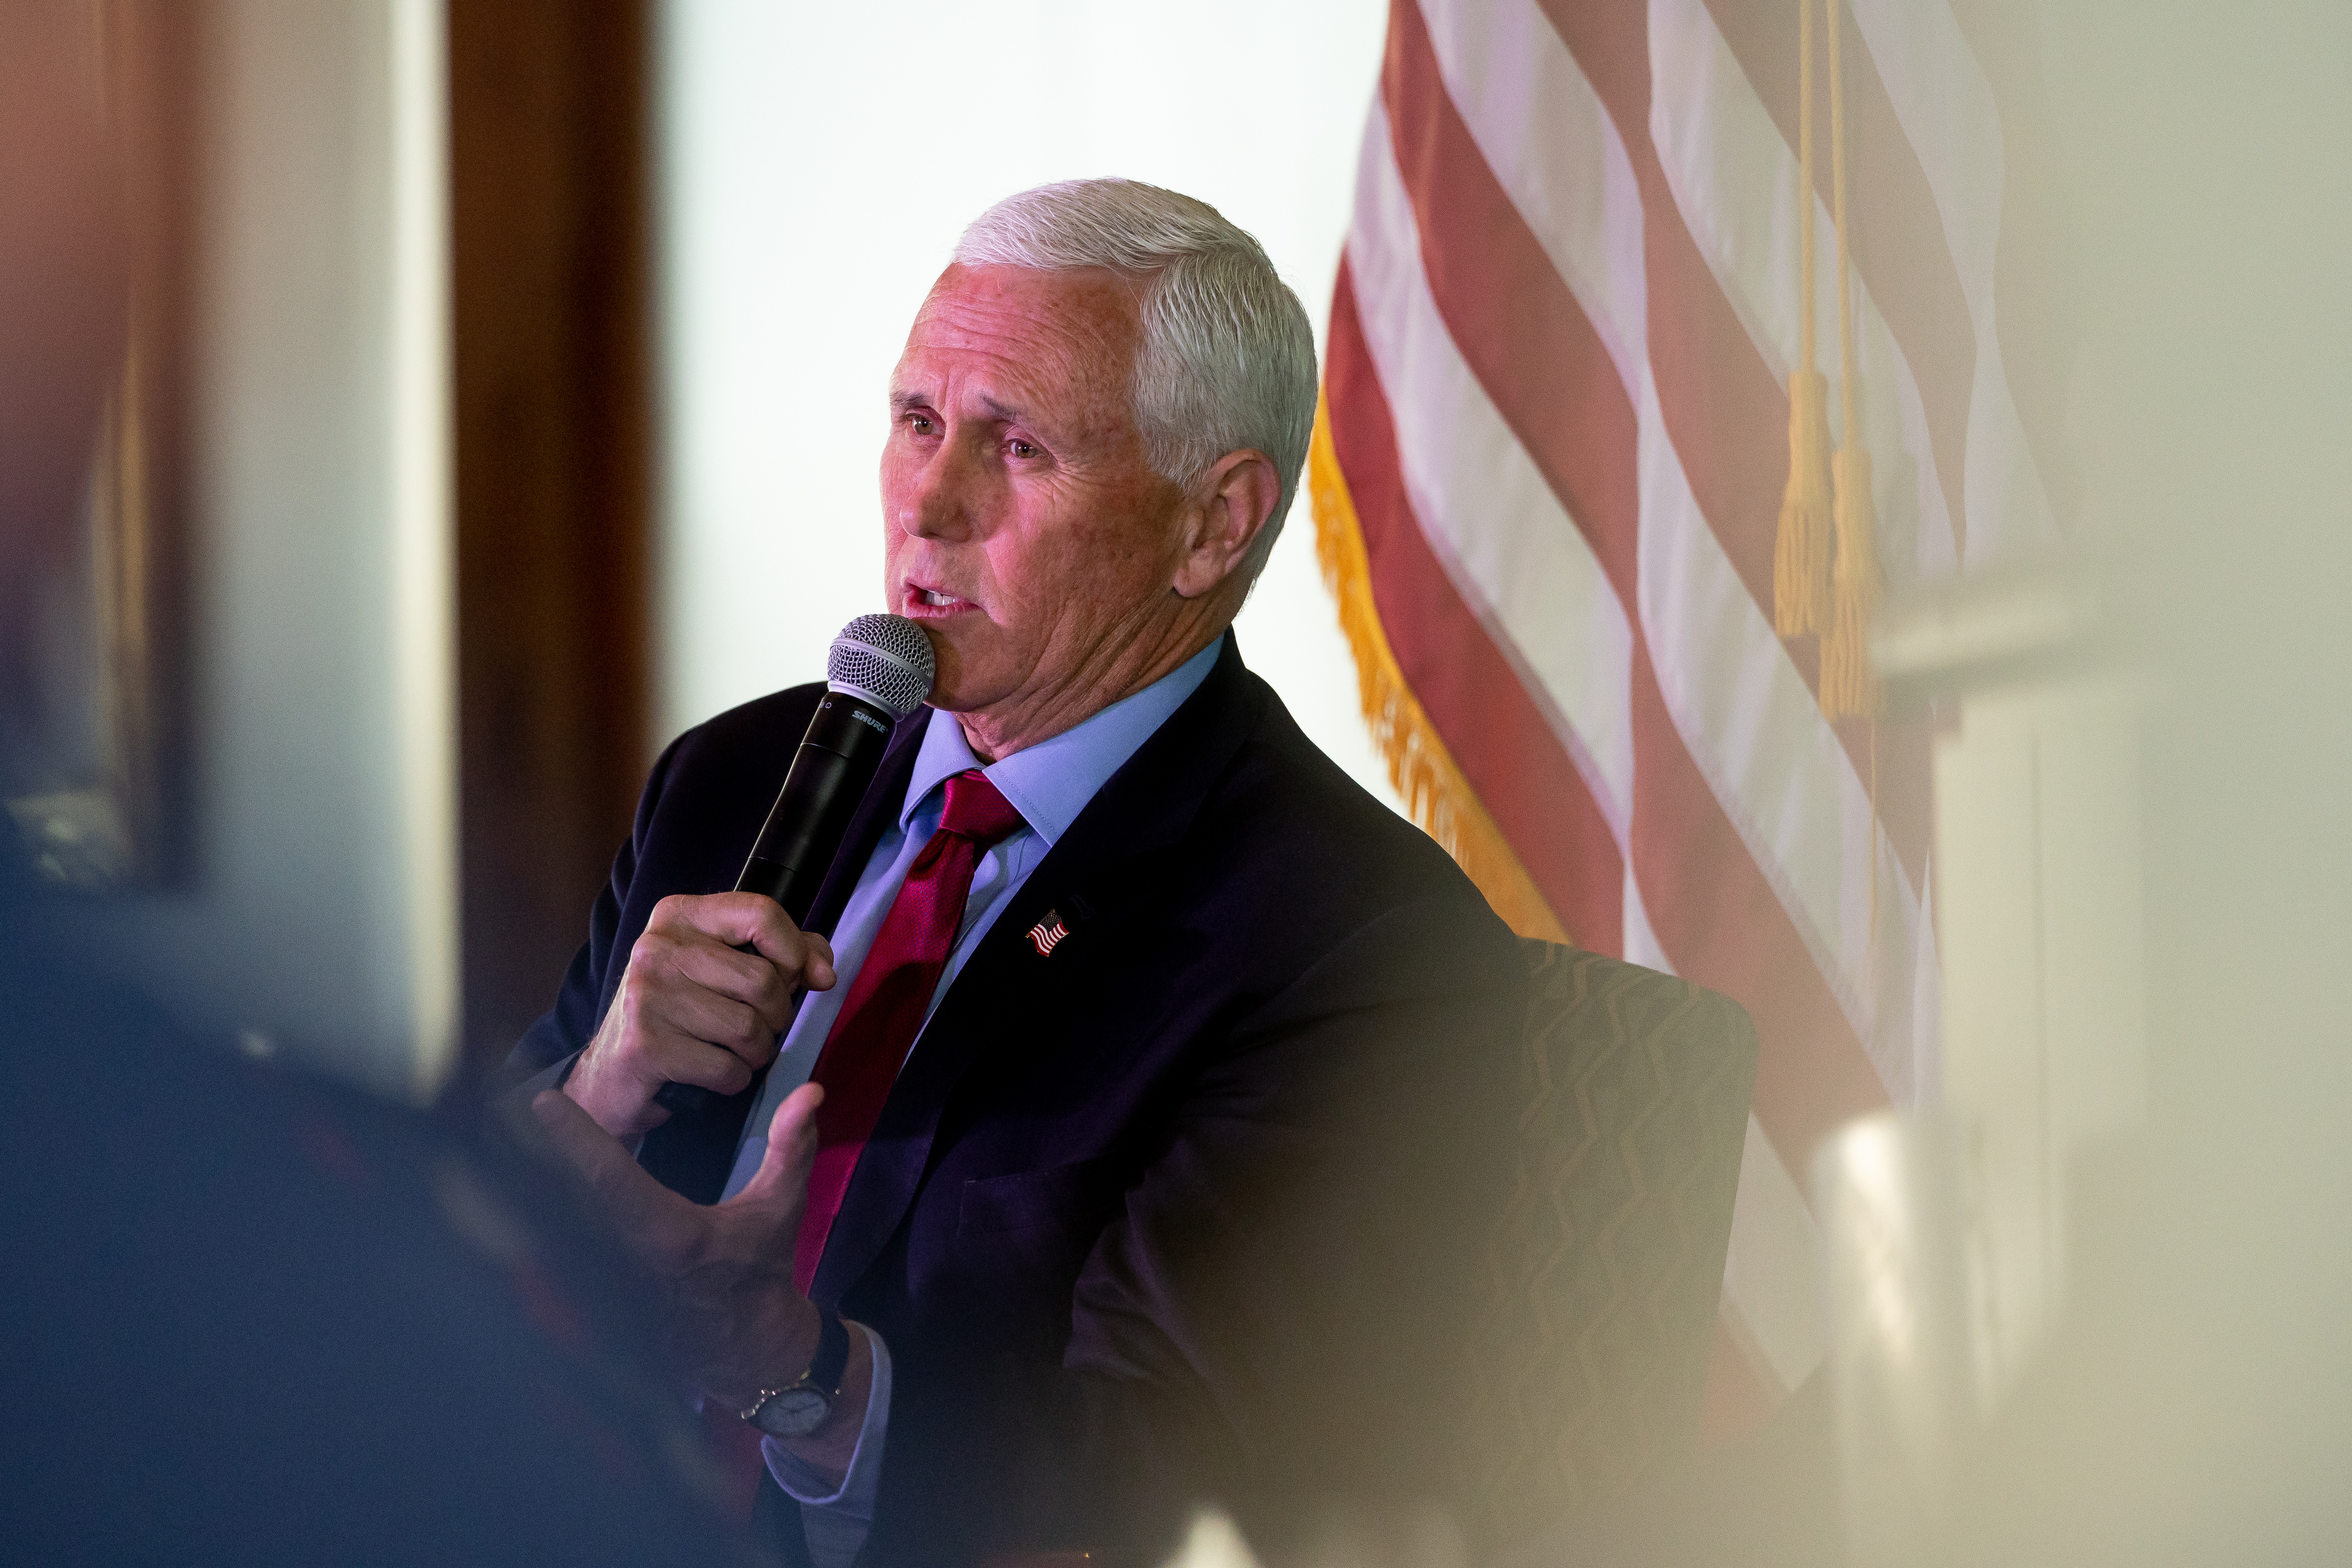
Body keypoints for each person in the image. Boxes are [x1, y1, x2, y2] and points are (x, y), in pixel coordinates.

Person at [508, 180, 1526, 1568]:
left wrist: (795, 1373)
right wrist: (600, 1095)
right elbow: (446, 1235)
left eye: (1020, 447)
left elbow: (1170, 1480)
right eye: (917, 422)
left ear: (1215, 523)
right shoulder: (733, 779)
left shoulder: (1360, 950)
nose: (928, 504)